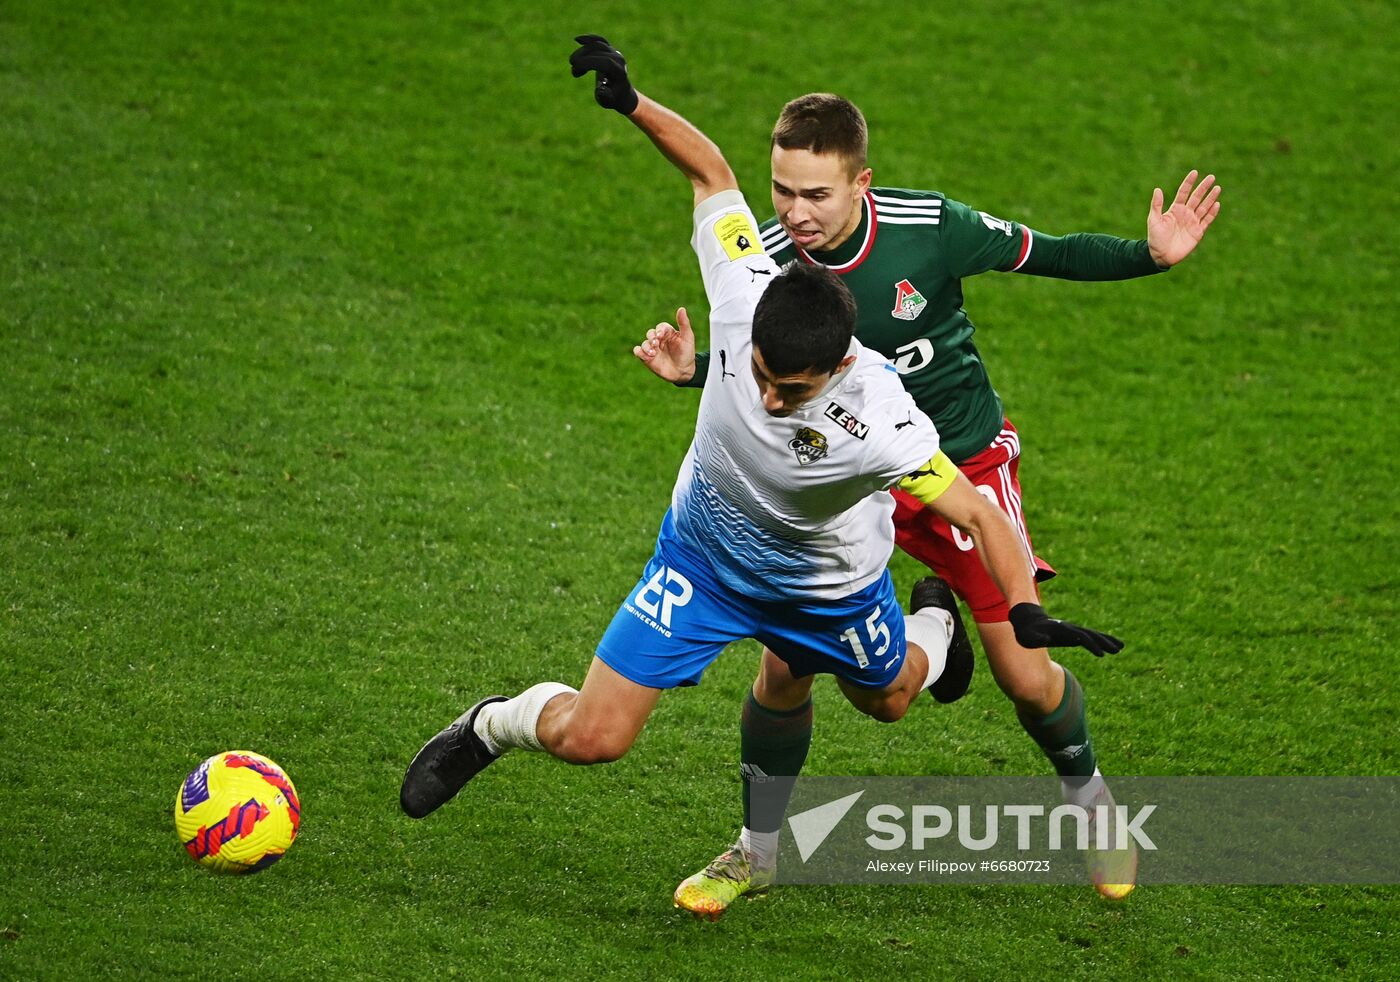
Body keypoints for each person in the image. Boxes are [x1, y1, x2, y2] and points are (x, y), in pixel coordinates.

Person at [399, 37, 1124, 921]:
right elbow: (710, 174)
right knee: (594, 738)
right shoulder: (745, 289)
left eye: (793, 389)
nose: (770, 397)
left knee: (893, 700)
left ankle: (940, 623)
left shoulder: (880, 413)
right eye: (760, 376)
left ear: (837, 372)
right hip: (701, 562)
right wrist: (632, 102)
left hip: (826, 582)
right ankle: (492, 726)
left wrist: (1021, 605)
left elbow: (974, 506)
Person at [569, 34, 1221, 911]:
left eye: (815, 194)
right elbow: (764, 371)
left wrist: (1149, 255)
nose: (795, 212)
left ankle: (1091, 801)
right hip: (844, 487)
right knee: (785, 667)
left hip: (955, 466)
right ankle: (757, 849)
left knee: (1027, 674)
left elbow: (1048, 250)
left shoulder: (929, 230)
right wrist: (694, 368)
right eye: (783, 191)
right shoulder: (769, 260)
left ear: (860, 184)